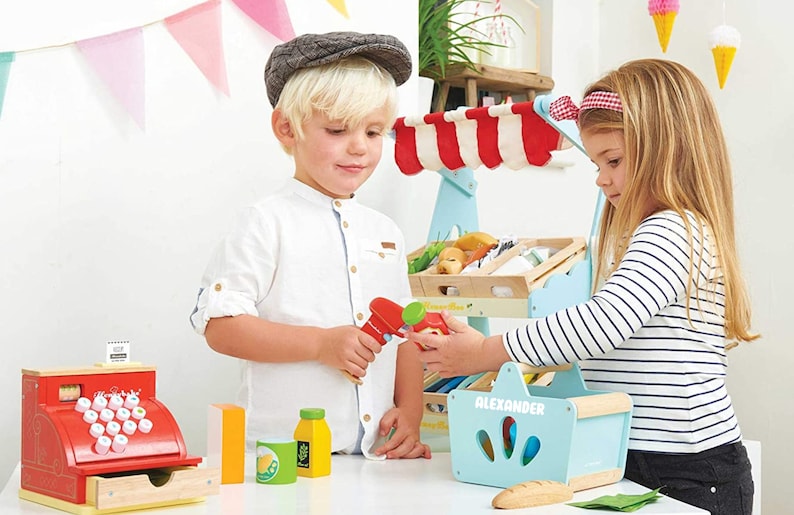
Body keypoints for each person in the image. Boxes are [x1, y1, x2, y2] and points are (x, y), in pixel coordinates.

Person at [407, 59, 756, 513]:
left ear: (669, 150)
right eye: (595, 162)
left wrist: (484, 352)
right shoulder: (656, 233)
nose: (600, 177)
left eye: (613, 160)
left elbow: (602, 323)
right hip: (641, 458)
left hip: (687, 469)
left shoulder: (674, 230)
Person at [190, 31, 430, 460]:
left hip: (372, 459)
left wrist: (410, 412)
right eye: (337, 129)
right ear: (287, 128)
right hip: (279, 458)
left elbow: (403, 336)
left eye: (374, 132)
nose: (359, 147)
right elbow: (221, 327)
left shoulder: (386, 232)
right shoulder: (265, 222)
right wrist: (321, 344)